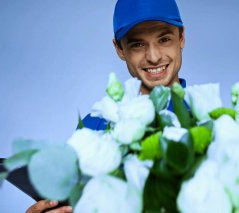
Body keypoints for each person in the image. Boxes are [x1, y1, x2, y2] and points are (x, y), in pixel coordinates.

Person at [26, 0, 185, 212]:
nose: (154, 57)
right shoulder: (92, 128)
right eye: (137, 44)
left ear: (181, 37)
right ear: (119, 49)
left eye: (164, 39)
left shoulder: (217, 124)